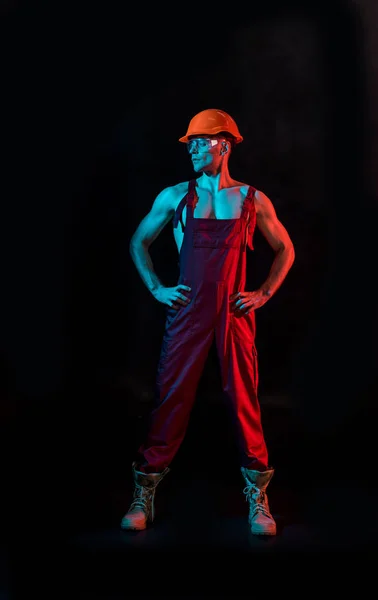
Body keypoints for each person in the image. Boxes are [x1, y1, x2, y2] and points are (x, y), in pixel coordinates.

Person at [121, 108, 295, 536]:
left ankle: (258, 500)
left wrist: (263, 294)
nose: (194, 149)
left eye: (202, 142)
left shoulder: (252, 199)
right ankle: (143, 493)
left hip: (233, 316)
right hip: (187, 314)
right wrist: (158, 289)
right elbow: (138, 241)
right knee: (171, 399)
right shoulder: (175, 196)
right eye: (191, 143)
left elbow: (285, 249)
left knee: (244, 403)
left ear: (225, 144)